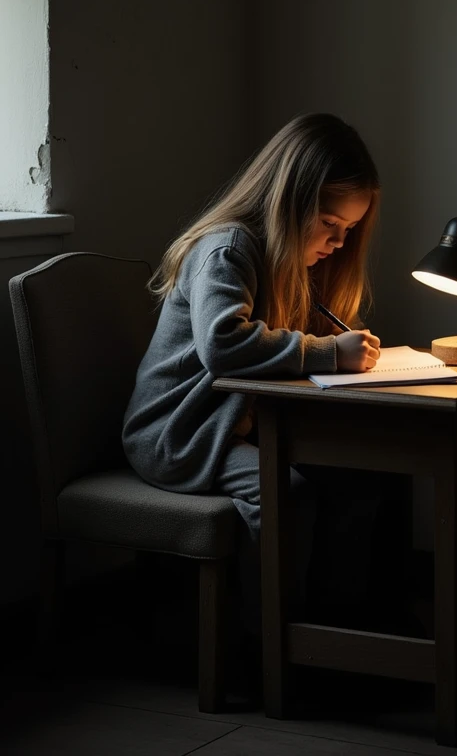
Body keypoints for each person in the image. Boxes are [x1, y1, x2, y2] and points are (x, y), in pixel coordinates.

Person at [122, 112, 383, 677]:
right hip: (180, 434)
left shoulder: (282, 258)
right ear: (290, 200)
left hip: (229, 426)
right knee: (285, 491)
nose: (339, 243)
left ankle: (349, 631)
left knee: (364, 476)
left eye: (349, 232)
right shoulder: (227, 249)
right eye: (330, 224)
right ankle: (271, 646)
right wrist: (325, 353)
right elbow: (222, 344)